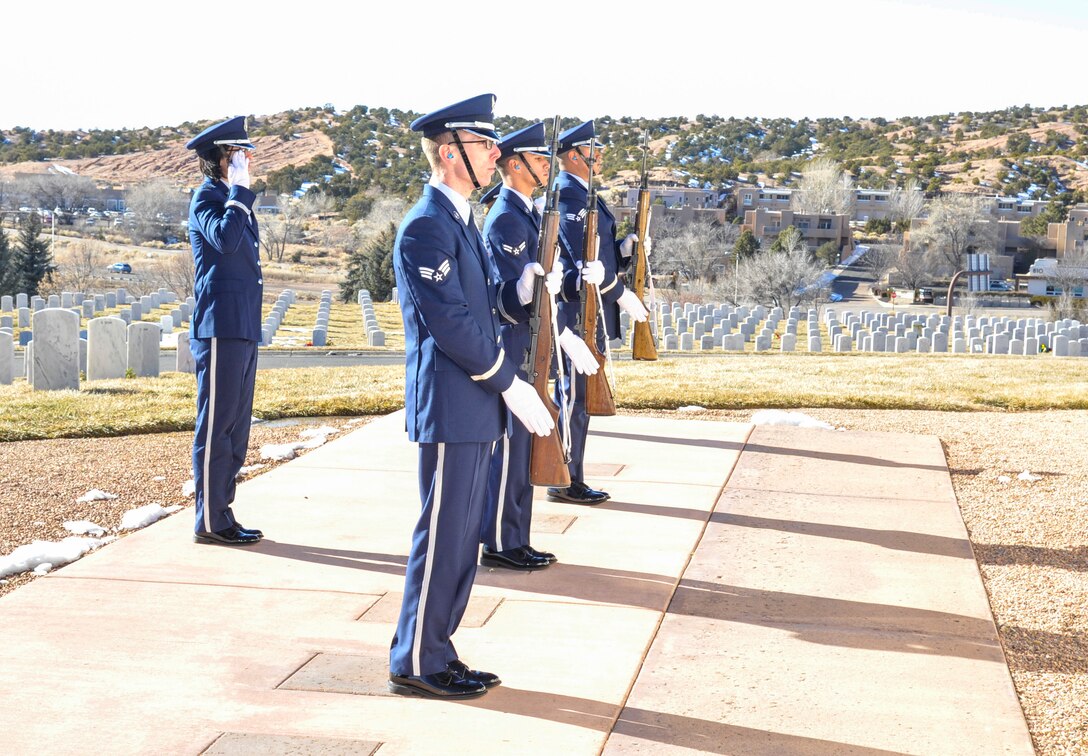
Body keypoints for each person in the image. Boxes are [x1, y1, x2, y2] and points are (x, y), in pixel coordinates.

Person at [388, 94, 557, 700]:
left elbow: (489, 308)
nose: (495, 154)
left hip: (476, 401)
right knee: (441, 536)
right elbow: (450, 323)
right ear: (450, 152)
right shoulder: (426, 225)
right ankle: (415, 659)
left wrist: (525, 289)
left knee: (462, 538)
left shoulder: (460, 220)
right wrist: (507, 381)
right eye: (484, 145)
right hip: (454, 401)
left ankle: (439, 648)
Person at [479, 122, 602, 571]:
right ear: (515, 166)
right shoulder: (507, 218)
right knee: (511, 448)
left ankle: (515, 536)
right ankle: (499, 540)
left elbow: (550, 276)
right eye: (539, 159)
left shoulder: (528, 212)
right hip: (515, 344)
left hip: (535, 343)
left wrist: (574, 281)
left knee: (526, 444)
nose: (548, 166)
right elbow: (510, 293)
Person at [549, 120, 649, 504]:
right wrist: (620, 291)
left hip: (590, 308)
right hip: (577, 312)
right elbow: (581, 265)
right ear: (574, 155)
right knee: (574, 397)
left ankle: (571, 475)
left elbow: (599, 254)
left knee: (581, 398)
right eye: (594, 149)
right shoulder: (569, 198)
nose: (600, 155)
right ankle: (563, 478)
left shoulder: (583, 194)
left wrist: (623, 250)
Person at [184, 116, 265, 546]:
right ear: (220, 159)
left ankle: (222, 513)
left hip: (242, 325)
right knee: (216, 425)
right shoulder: (208, 198)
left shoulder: (231, 199)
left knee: (235, 426)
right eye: (240, 153)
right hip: (219, 326)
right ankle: (211, 522)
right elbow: (226, 241)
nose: (248, 159)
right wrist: (237, 193)